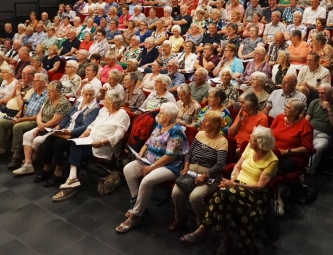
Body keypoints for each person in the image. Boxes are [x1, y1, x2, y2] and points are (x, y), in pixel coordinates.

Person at [180, 126, 278, 254]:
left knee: (223, 193)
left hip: (254, 194)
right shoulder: (249, 148)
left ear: (261, 143)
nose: (249, 142)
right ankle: (226, 239)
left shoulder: (272, 160)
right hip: (235, 186)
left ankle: (206, 231)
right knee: (224, 198)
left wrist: (234, 186)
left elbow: (260, 186)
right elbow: (237, 167)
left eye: (252, 140)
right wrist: (232, 181)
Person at [116, 103, 188, 233]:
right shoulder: (160, 126)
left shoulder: (176, 131)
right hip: (149, 160)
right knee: (128, 170)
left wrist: (151, 168)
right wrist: (142, 152)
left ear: (168, 116)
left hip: (169, 166)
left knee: (147, 180)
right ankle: (137, 202)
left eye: (160, 113)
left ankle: (136, 215)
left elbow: (170, 156)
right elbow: (149, 141)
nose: (158, 115)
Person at [53, 91, 130, 200]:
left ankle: (70, 183)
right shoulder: (104, 110)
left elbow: (119, 135)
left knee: (76, 149)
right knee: (75, 145)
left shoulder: (122, 115)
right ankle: (72, 179)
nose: (104, 102)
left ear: (112, 103)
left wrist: (102, 142)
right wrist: (85, 133)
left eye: (106, 100)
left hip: (104, 146)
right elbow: (93, 124)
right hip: (90, 141)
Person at [170, 110, 228, 230]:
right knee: (176, 193)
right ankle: (180, 218)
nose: (203, 122)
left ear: (216, 124)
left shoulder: (222, 142)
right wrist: (186, 167)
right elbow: (189, 153)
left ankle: (203, 225)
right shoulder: (200, 134)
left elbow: (220, 165)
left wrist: (205, 176)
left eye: (207, 121)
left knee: (195, 197)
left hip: (211, 175)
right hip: (191, 172)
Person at [34, 84, 100, 186]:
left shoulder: (95, 108)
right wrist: (59, 126)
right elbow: (68, 115)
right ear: (82, 93)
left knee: (58, 144)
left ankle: (58, 172)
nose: (88, 97)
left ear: (94, 95)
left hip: (76, 134)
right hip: (65, 130)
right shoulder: (78, 101)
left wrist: (70, 132)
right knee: (48, 140)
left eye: (90, 95)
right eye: (86, 94)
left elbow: (86, 126)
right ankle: (46, 168)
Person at [0, 71, 48, 164]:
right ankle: (0, 148)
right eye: (33, 81)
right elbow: (23, 107)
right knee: (3, 122)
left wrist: (21, 119)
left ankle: (16, 154)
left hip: (34, 120)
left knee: (18, 127)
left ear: (43, 83)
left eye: (36, 81)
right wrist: (17, 116)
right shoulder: (33, 93)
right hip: (24, 116)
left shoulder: (46, 96)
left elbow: (40, 116)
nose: (33, 83)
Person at [13, 81, 72, 175]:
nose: (48, 93)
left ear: (58, 92)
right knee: (27, 135)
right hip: (42, 125)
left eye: (51, 91)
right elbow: (39, 114)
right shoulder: (48, 99)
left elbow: (54, 121)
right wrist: (39, 124)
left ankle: (37, 156)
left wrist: (39, 127)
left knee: (37, 141)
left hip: (54, 129)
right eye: (48, 90)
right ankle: (28, 164)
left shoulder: (63, 103)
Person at [306, 83, 333, 175]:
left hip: (324, 134)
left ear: (331, 94)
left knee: (318, 147)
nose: (320, 95)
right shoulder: (314, 102)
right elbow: (306, 119)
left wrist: (329, 110)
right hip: (310, 131)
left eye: (323, 93)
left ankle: (308, 171)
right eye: (319, 93)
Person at [270, 99, 313, 174]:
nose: (285, 109)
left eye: (288, 108)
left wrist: (286, 151)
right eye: (285, 106)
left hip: (290, 156)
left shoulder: (304, 124)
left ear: (296, 112)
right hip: (273, 151)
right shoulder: (279, 118)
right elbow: (269, 134)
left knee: (271, 168)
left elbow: (306, 147)